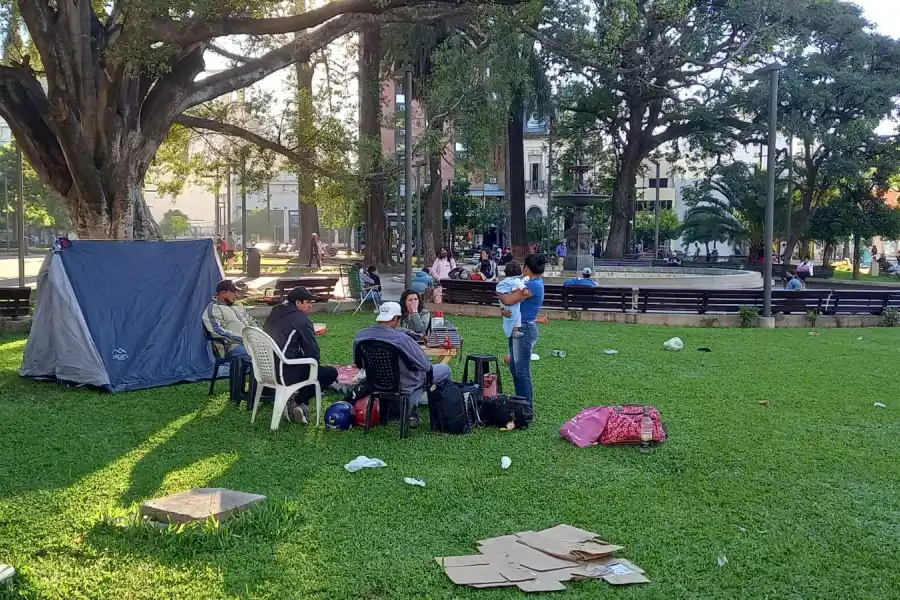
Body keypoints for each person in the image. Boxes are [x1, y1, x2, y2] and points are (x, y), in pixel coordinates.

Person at [353, 302, 451, 427]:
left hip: (375, 383)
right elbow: (426, 366)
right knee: (444, 369)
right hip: (404, 385)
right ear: (395, 319)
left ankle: (408, 409)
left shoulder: (360, 336)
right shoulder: (401, 338)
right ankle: (440, 415)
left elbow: (359, 364)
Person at [263, 287, 339, 424]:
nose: (311, 305)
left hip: (266, 368)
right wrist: (316, 368)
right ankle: (297, 401)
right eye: (308, 302)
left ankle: (293, 397)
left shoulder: (276, 311)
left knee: (305, 366)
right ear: (298, 303)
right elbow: (312, 351)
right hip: (286, 371)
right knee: (328, 373)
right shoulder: (302, 320)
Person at [496, 253, 546, 406]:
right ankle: (521, 403)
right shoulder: (535, 282)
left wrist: (498, 290)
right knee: (516, 369)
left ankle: (526, 407)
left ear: (526, 268)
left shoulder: (531, 285)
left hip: (524, 330)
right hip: (522, 328)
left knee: (521, 371)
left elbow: (508, 299)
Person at [202, 280, 256, 358]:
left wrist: (259, 334)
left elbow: (252, 321)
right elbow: (216, 330)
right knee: (258, 355)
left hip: (251, 343)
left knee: (273, 351)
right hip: (232, 347)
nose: (237, 295)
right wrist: (241, 339)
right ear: (223, 293)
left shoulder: (237, 306)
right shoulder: (214, 308)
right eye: (234, 292)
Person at [496, 261, 530, 339]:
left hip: (503, 304)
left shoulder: (504, 282)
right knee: (517, 316)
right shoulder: (517, 280)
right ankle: (515, 331)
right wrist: (525, 291)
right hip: (512, 303)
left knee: (508, 317)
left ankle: (510, 330)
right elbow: (524, 289)